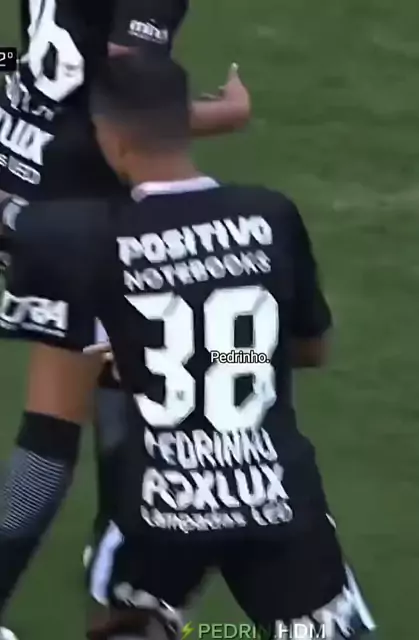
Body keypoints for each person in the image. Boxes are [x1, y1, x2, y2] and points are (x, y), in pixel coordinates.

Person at [0, 52, 375, 639]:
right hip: (274, 495)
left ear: (112, 139)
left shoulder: (86, 235)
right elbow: (312, 350)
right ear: (184, 124)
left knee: (127, 622)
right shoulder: (272, 215)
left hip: (159, 508)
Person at [0, 0, 250, 632]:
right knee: (55, 428)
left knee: (122, 377)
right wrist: (224, 116)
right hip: (82, 194)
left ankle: (122, 561)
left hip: (24, 164)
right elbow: (126, 91)